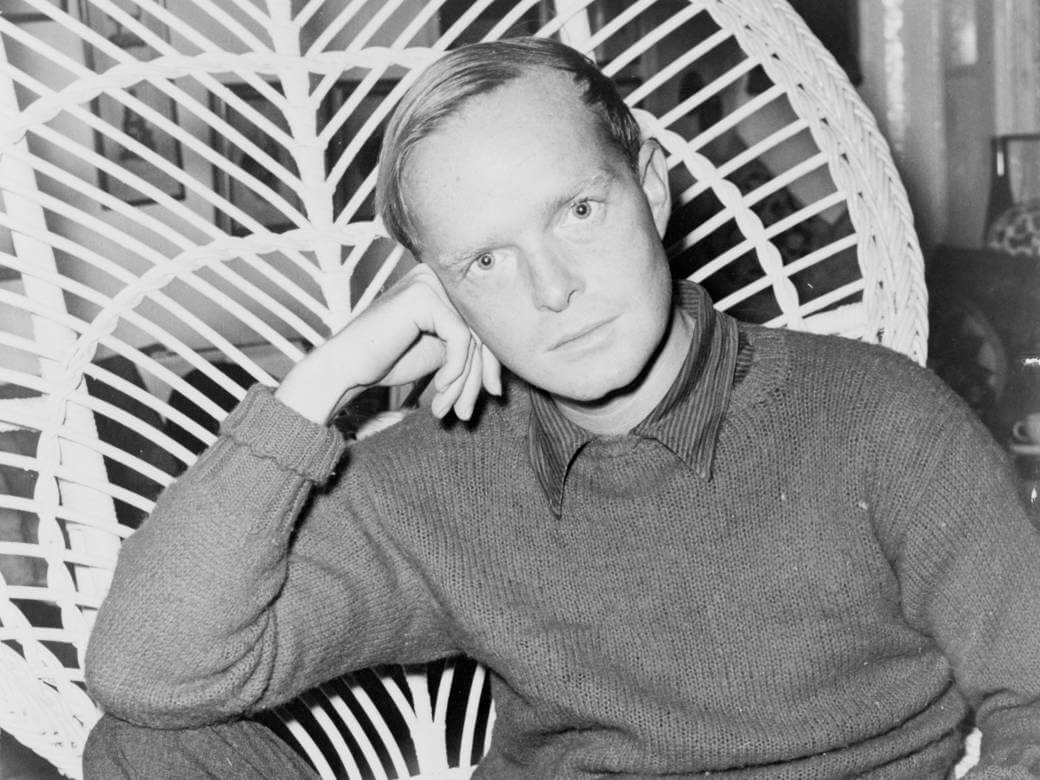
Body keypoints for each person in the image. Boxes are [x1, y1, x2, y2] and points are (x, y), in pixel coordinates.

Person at [83, 37, 1040, 779]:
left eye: (578, 212)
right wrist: (325, 380)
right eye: (486, 261)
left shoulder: (878, 421)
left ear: (651, 188)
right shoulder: (439, 475)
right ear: (438, 289)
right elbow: (151, 675)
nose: (553, 291)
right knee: (146, 749)